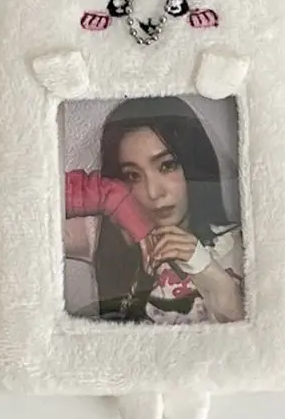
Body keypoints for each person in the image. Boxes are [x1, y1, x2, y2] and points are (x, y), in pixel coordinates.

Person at [65, 96, 243, 324]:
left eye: (167, 166)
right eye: (132, 175)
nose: (153, 193)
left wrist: (203, 266)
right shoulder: (107, 235)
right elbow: (28, 208)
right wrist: (111, 197)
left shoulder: (244, 243)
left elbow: (263, 339)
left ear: (193, 163)